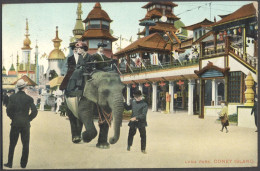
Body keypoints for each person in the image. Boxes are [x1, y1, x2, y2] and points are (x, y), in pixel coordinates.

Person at [4, 79, 38, 168]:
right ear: (25, 87)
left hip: (15, 123)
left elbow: (8, 110)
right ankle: (23, 164)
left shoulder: (12, 97)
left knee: (12, 144)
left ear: (18, 88)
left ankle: (9, 163)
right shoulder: (29, 98)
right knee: (25, 144)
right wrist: (28, 119)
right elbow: (35, 111)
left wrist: (13, 118)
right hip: (25, 124)